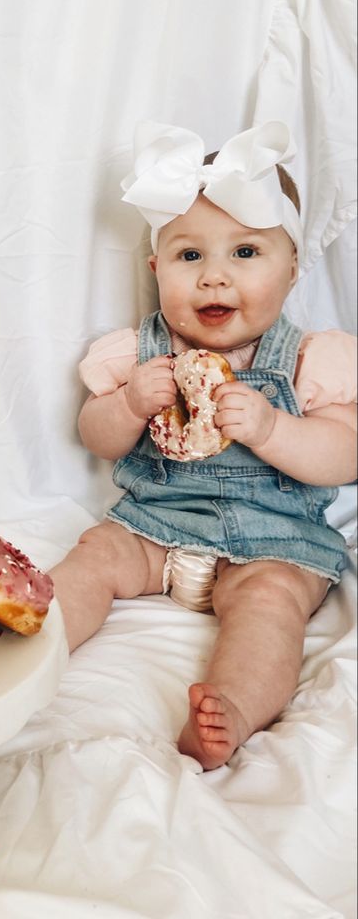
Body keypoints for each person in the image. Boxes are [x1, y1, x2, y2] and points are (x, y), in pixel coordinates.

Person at [50, 121, 357, 769]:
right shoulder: (139, 353)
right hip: (156, 526)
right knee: (95, 554)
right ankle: (34, 644)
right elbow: (95, 438)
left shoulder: (309, 359)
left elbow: (343, 454)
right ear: (156, 268)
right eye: (190, 256)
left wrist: (275, 429)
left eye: (244, 254)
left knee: (270, 604)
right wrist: (129, 404)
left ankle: (237, 707)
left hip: (273, 543)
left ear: (292, 267)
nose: (214, 279)